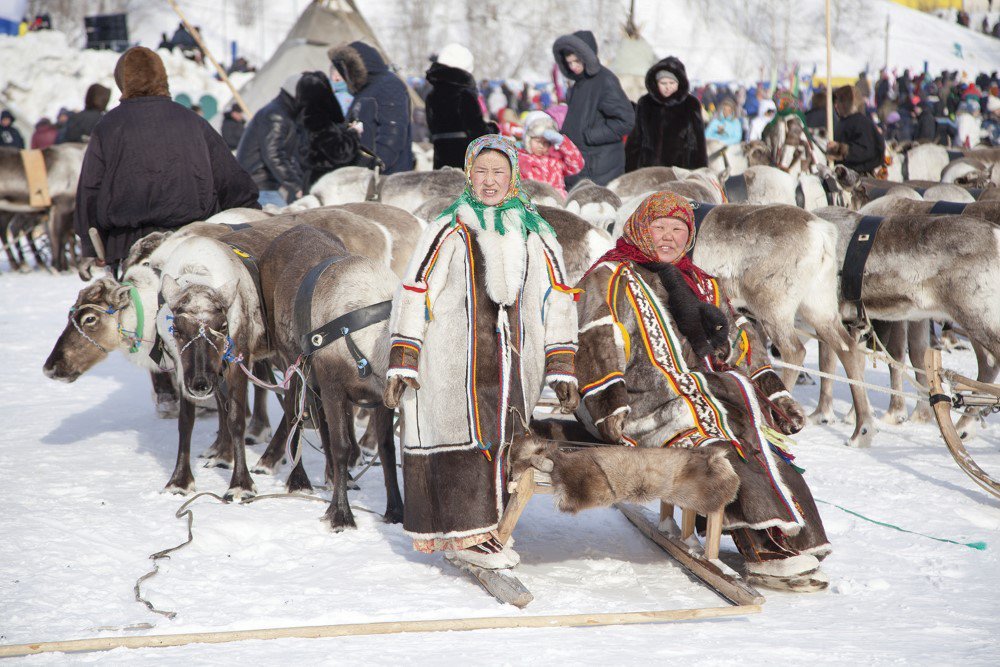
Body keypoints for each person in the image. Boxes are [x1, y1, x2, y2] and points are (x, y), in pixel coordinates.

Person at [574, 191, 830, 592]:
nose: (669, 237)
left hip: (705, 395)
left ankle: (795, 536)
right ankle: (768, 547)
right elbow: (596, 341)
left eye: (679, 229)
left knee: (754, 437)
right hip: (646, 403)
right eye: (659, 227)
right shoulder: (610, 278)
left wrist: (770, 391)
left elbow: (746, 342)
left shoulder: (703, 284)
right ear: (640, 228)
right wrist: (610, 408)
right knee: (718, 445)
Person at [384, 135, 580, 570]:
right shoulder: (448, 226)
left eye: (499, 172)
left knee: (501, 441)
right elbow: (416, 290)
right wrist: (404, 354)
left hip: (516, 362)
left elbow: (558, 299)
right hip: (453, 360)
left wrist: (562, 364)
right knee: (462, 436)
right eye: (481, 171)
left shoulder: (536, 232)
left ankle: (486, 528)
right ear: (468, 174)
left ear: (513, 176)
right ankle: (464, 533)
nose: (489, 181)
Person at [74, 47, 258, 278]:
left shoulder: (108, 127)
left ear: (122, 80)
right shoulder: (192, 122)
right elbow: (233, 182)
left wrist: (92, 248)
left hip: (130, 249)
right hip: (190, 244)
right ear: (162, 77)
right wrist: (248, 226)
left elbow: (89, 191)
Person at [552, 30, 634, 186]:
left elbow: (626, 121)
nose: (573, 66)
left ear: (586, 56)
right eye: (569, 62)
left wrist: (590, 136)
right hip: (582, 162)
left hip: (600, 165)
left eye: (576, 61)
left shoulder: (605, 81)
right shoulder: (578, 85)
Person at [328, 41, 413, 174]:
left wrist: (375, 165)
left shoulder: (388, 85)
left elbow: (392, 132)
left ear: (354, 67)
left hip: (387, 179)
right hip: (365, 176)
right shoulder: (364, 91)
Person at [624, 56, 706, 171]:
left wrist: (699, 173)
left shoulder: (691, 105)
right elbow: (635, 140)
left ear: (679, 83)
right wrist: (629, 170)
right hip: (648, 172)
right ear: (656, 83)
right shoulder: (645, 103)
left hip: (678, 173)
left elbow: (698, 144)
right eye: (663, 83)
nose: (668, 87)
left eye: (672, 83)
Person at [236, 73, 305, 207]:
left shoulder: (287, 114)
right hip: (259, 186)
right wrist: (297, 186)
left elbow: (290, 156)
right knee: (284, 225)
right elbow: (274, 154)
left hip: (267, 185)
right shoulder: (276, 115)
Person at [424, 43, 492, 169]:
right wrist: (492, 130)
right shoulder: (464, 94)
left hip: (440, 158)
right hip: (463, 158)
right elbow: (476, 129)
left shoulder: (432, 95)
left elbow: (431, 128)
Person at [296, 71, 362, 187]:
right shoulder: (317, 119)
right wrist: (354, 133)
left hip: (314, 180)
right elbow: (340, 152)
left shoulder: (302, 117)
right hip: (326, 184)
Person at [515, 110, 583, 196]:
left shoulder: (555, 160)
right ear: (528, 139)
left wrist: (563, 143)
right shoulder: (521, 160)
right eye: (537, 141)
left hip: (557, 203)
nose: (541, 146)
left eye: (546, 142)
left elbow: (576, 165)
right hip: (534, 203)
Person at [827, 85, 885, 176]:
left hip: (858, 176)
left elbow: (867, 150)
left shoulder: (860, 122)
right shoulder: (843, 122)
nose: (835, 105)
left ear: (848, 103)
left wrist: (840, 149)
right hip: (840, 173)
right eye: (835, 102)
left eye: (839, 101)